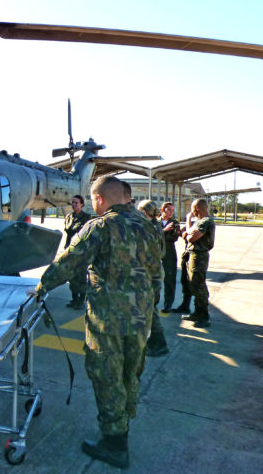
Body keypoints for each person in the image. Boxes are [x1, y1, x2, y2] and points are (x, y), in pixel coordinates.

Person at [35, 175, 161, 469]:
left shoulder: (101, 226)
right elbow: (157, 273)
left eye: (93, 199)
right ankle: (123, 424)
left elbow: (68, 263)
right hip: (140, 318)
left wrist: (41, 287)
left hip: (108, 321)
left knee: (107, 376)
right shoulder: (148, 226)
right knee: (131, 372)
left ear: (100, 199)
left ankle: (115, 443)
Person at [137, 199, 169, 358]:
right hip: (152, 272)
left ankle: (159, 344)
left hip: (151, 273)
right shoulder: (155, 226)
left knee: (150, 310)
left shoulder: (150, 228)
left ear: (144, 212)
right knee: (149, 310)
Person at [180, 198, 215, 328]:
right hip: (193, 255)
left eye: (193, 208)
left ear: (197, 208)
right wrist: (187, 233)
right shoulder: (200, 222)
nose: (192, 211)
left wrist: (188, 222)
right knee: (193, 284)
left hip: (199, 256)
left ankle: (204, 316)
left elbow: (191, 237)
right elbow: (189, 235)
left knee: (199, 285)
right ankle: (197, 312)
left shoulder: (205, 222)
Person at [63, 195, 92, 309]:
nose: (74, 205)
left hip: (81, 251)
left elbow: (87, 234)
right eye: (73, 203)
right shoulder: (69, 217)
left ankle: (81, 300)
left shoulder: (87, 217)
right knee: (71, 276)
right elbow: (68, 233)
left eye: (76, 203)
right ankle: (74, 299)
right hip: (70, 249)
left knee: (81, 276)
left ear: (82, 204)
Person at [172, 209, 196, 314]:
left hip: (195, 257)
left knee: (195, 284)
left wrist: (188, 219)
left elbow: (189, 235)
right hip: (187, 255)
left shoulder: (201, 223)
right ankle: (185, 305)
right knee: (185, 281)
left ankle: (200, 312)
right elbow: (184, 233)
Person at [159, 202, 181, 312]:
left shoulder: (175, 223)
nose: (171, 212)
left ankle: (168, 303)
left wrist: (159, 234)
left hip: (169, 253)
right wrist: (164, 231)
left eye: (173, 210)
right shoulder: (155, 222)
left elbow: (174, 237)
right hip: (156, 252)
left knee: (169, 279)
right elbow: (150, 236)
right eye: (169, 210)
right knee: (155, 278)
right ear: (162, 210)